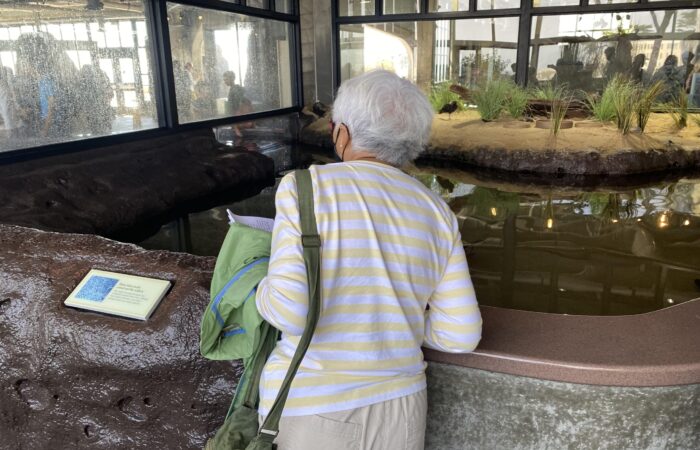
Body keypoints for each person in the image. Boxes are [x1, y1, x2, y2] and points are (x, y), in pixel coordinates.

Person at [255, 70, 482, 450]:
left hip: (316, 407)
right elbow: (462, 334)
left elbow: (289, 310)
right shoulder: (436, 209)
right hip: (403, 412)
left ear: (341, 133)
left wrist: (259, 287)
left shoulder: (306, 188)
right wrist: (396, 314)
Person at [0, 66, 23, 138]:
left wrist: (18, 107)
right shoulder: (3, 89)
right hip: (10, 123)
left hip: (11, 123)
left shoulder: (4, 89)